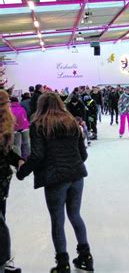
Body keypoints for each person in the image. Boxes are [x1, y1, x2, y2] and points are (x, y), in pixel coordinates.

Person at [16, 92, 93, 273]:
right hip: (76, 176)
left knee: (57, 220)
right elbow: (83, 154)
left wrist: (22, 172)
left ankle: (63, 264)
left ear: (40, 106)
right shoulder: (71, 122)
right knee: (75, 215)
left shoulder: (39, 124)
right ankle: (86, 256)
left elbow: (37, 155)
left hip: (55, 179)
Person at [0, 90, 22, 273]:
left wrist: (18, 160)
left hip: (2, 179)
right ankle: (3, 262)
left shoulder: (6, 124)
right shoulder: (5, 123)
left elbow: (6, 152)